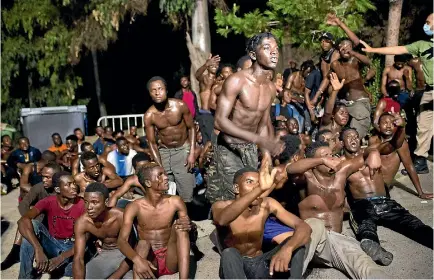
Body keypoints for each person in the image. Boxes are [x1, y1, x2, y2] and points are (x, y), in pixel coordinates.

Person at [280, 142, 389, 278]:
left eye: (331, 154)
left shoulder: (342, 173)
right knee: (314, 224)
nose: (330, 158)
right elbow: (290, 169)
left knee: (365, 265)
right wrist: (322, 160)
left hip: (335, 243)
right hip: (310, 243)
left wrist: (373, 153)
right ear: (314, 163)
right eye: (325, 156)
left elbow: (367, 152)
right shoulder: (307, 178)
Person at [208, 32, 284, 203]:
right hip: (229, 147)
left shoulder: (270, 88)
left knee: (252, 196)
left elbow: (263, 123)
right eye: (267, 48)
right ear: (253, 54)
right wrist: (258, 139)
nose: (274, 52)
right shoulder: (237, 81)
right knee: (231, 197)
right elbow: (219, 120)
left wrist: (266, 155)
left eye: (276, 48)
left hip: (250, 147)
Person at [341, 126, 433, 266]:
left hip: (385, 201)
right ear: (342, 143)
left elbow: (393, 144)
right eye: (349, 137)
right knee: (365, 226)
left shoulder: (372, 151)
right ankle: (374, 248)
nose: (353, 139)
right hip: (362, 204)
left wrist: (401, 127)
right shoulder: (341, 164)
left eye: (355, 136)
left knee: (412, 223)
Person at [212, 155, 311, 279]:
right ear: (236, 188)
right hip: (235, 267)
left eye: (259, 183)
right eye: (249, 182)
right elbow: (222, 220)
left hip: (260, 264)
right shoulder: (220, 206)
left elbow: (304, 227)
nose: (256, 187)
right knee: (229, 253)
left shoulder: (267, 203)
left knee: (296, 242)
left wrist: (287, 249)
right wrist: (260, 189)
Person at [360, 13, 433, 174]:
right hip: (429, 91)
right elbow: (397, 48)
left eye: (428, 22)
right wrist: (373, 49)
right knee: (423, 125)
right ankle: (420, 160)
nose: (425, 25)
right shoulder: (421, 45)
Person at [117, 163, 191, 279]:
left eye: (165, 174)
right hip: (149, 262)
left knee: (180, 227)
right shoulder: (135, 207)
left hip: (171, 259)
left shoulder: (175, 201)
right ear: (147, 183)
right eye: (160, 175)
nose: (166, 177)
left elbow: (186, 228)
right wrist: (138, 260)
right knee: (142, 243)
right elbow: (122, 241)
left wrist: (188, 225)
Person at [17, 171, 84, 279]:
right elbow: (22, 221)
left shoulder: (82, 205)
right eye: (68, 185)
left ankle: (56, 267)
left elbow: (85, 240)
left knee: (72, 270)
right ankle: (24, 277)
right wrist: (38, 249)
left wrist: (61, 258)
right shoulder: (48, 201)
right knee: (31, 225)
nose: (74, 187)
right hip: (53, 243)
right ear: (57, 189)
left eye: (74, 183)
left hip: (73, 248)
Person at [144, 76, 196, 203]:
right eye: (153, 90)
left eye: (160, 89)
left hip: (183, 149)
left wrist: (192, 152)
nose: (157, 93)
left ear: (166, 90)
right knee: (164, 191)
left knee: (187, 192)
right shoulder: (149, 115)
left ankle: (185, 218)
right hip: (164, 152)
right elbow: (151, 143)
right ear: (150, 94)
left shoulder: (180, 106)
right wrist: (159, 166)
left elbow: (192, 128)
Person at [1, 162, 62, 271]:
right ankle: (15, 252)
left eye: (48, 177)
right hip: (43, 223)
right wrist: (28, 220)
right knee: (25, 221)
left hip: (59, 227)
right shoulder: (39, 187)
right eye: (43, 176)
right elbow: (23, 204)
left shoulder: (64, 189)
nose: (44, 180)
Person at [370, 113, 433, 199]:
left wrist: (420, 193)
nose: (388, 126)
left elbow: (409, 166)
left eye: (392, 123)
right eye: (385, 123)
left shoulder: (402, 144)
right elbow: (386, 148)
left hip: (383, 187)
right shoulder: (373, 140)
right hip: (370, 184)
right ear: (378, 125)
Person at [73, 183, 126, 279]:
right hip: (107, 254)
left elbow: (136, 249)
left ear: (106, 202)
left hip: (126, 256)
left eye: (94, 202)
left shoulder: (120, 216)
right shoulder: (82, 222)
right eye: (86, 202)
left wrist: (114, 277)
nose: (89, 207)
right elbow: (78, 258)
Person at [330, 39, 375, 139]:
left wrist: (353, 53)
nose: (346, 49)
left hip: (359, 102)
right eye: (343, 47)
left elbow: (368, 62)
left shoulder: (355, 60)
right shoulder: (335, 65)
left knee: (355, 134)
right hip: (344, 103)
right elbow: (328, 80)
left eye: (348, 47)